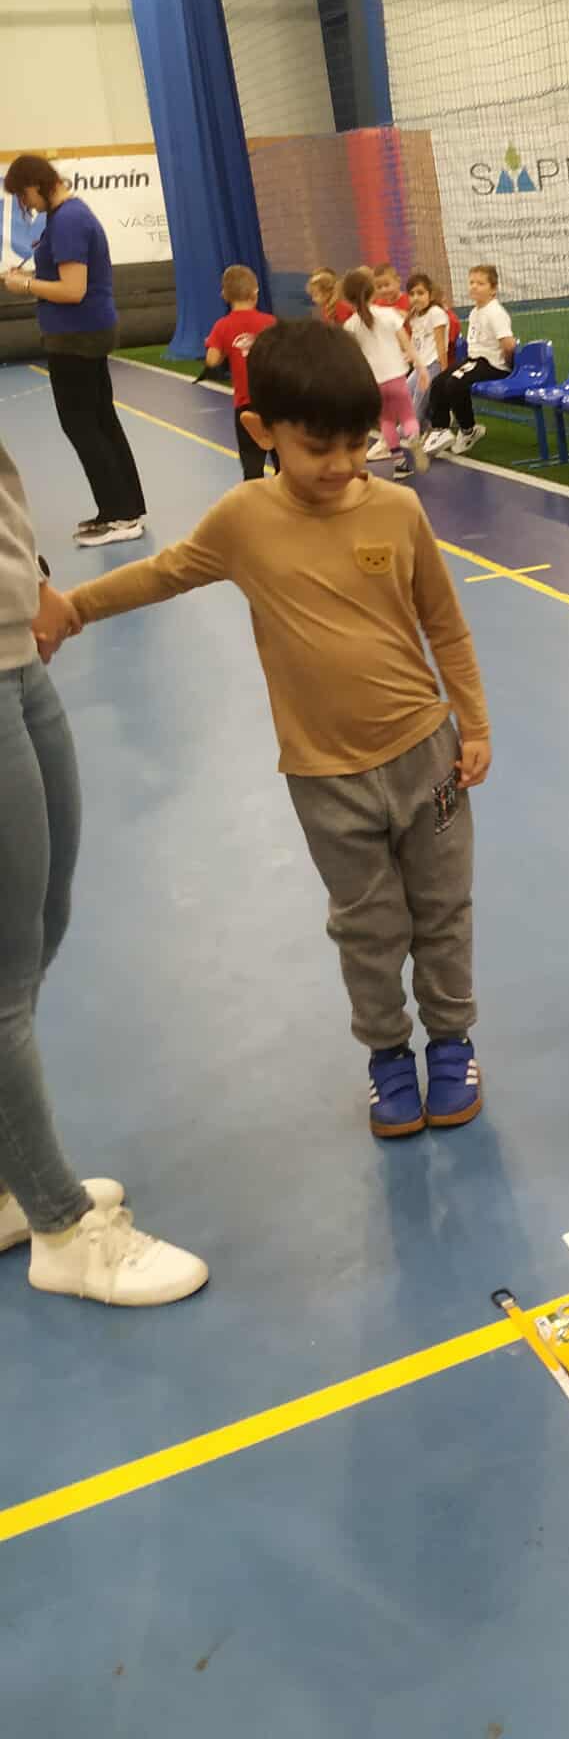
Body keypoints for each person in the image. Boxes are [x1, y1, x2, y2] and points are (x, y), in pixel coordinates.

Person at [62, 322, 492, 1141]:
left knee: (443, 911)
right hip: (324, 776)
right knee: (367, 927)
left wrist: (472, 722)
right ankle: (388, 1054)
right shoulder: (244, 518)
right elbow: (164, 573)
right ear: (262, 431)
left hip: (426, 755)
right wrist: (72, 609)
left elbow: (446, 626)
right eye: (317, 446)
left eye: (357, 444)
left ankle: (451, 1041)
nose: (342, 464)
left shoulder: (397, 510)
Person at [0, 432, 206, 1303]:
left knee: (44, 920)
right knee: (2, 975)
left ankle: (9, 1175)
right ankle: (60, 1230)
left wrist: (31, 574)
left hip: (13, 642)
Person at [1, 152, 147, 548]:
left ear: (35, 185)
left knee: (82, 425)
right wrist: (30, 276)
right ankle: (122, 509)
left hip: (77, 336)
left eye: (24, 196)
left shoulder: (68, 220)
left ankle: (121, 515)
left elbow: (72, 289)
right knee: (100, 421)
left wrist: (24, 286)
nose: (26, 205)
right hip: (84, 332)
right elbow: (64, 276)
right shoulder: (68, 216)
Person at [342, 266, 428, 482]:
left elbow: (353, 359)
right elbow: (407, 344)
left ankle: (399, 463)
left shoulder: (350, 325)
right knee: (407, 415)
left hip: (374, 382)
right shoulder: (389, 315)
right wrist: (421, 367)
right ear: (373, 291)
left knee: (387, 421)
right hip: (396, 375)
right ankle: (413, 436)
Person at [205, 265, 279, 482]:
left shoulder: (222, 326)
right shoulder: (270, 322)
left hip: (245, 404)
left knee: (252, 464)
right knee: (283, 460)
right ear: (255, 292)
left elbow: (212, 360)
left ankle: (254, 500)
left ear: (225, 295)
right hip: (274, 402)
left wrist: (219, 348)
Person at [423, 263, 507, 457]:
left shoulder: (495, 312)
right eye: (472, 283)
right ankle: (440, 429)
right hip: (475, 360)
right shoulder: (475, 311)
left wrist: (507, 364)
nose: (474, 287)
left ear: (493, 289)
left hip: (493, 364)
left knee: (455, 382)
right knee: (439, 381)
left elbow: (508, 343)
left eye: (481, 283)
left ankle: (469, 430)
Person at [404, 270, 451, 423]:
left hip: (433, 365)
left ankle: (402, 434)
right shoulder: (414, 316)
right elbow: (416, 344)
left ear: (430, 295)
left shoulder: (436, 313)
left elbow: (441, 345)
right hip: (420, 367)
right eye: (412, 294)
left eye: (420, 293)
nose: (416, 297)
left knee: (416, 409)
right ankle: (425, 428)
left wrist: (443, 373)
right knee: (405, 395)